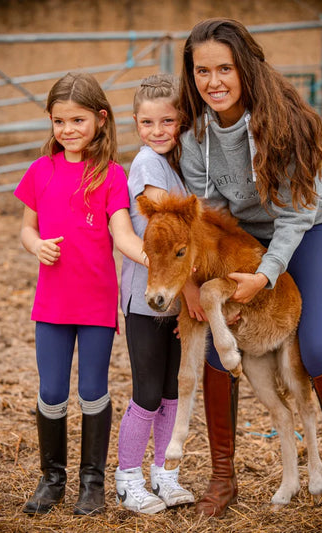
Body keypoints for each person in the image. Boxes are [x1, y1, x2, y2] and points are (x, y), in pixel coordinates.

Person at [175, 18, 322, 517]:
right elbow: (209, 216)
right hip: (246, 235)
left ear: (244, 68)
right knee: (215, 340)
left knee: (313, 346)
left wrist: (264, 276)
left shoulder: (284, 124)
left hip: (310, 228)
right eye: (202, 71)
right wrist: (198, 282)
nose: (213, 81)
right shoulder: (195, 134)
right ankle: (223, 480)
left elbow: (295, 215)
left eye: (224, 68)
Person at [14, 72, 147, 517]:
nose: (68, 130)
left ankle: (92, 484)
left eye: (78, 120)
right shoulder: (40, 170)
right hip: (51, 304)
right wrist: (36, 246)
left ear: (100, 120)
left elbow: (123, 234)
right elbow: (27, 228)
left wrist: (156, 259)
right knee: (51, 392)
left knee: (93, 390)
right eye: (59, 121)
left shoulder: (111, 175)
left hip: (95, 304)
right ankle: (52, 480)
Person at [115, 74, 195, 514]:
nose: (158, 130)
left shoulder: (181, 163)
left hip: (176, 297)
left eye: (167, 120)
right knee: (147, 391)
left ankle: (164, 475)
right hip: (147, 297)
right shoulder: (147, 163)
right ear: (135, 124)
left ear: (181, 121)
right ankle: (128, 479)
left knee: (171, 390)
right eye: (148, 122)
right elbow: (170, 220)